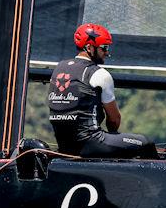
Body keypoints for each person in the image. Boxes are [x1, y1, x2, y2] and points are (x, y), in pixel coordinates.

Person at [48, 23, 158, 159]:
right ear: (89, 47)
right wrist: (113, 139)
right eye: (104, 48)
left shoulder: (59, 68)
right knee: (145, 143)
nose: (107, 53)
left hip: (65, 146)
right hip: (92, 142)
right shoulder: (99, 74)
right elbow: (114, 120)